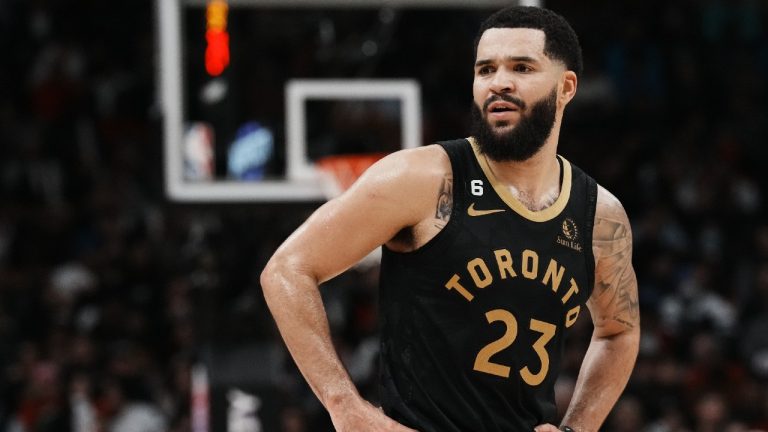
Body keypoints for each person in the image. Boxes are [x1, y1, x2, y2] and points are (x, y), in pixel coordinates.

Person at [261, 5, 639, 432]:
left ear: (566, 86)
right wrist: (343, 404)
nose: (499, 83)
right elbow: (286, 270)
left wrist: (577, 428)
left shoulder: (598, 216)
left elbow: (618, 332)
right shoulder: (421, 178)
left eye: (522, 67)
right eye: (485, 69)